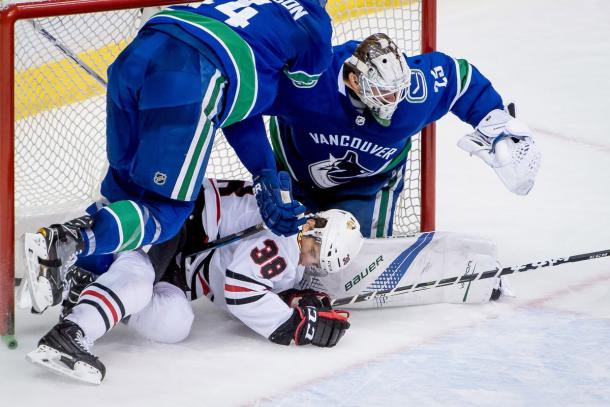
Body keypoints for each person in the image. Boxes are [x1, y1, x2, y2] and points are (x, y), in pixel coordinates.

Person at [23, 1, 334, 313]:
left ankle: (82, 275)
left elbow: (246, 96)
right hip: (191, 76)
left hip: (139, 53)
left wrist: (263, 171)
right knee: (165, 212)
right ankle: (67, 242)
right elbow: (286, 96)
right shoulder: (315, 26)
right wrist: (268, 172)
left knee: (125, 188)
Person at [26, 179, 362, 384]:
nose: (309, 261)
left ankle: (92, 286)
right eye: (314, 252)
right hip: (173, 222)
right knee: (138, 279)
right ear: (314, 228)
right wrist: (292, 325)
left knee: (174, 324)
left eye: (317, 261)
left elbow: (245, 277)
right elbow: (239, 290)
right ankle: (72, 331)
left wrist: (288, 297)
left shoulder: (295, 230)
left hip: (182, 258)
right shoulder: (286, 238)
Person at [267, 33, 542, 237]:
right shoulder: (309, 81)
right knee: (281, 258)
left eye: (398, 90)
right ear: (354, 81)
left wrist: (497, 127)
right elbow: (251, 98)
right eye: (384, 92)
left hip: (369, 185)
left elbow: (460, 79)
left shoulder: (415, 94)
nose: (394, 100)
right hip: (292, 178)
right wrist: (262, 175)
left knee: (358, 263)